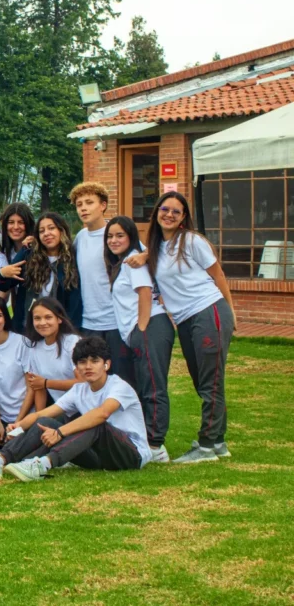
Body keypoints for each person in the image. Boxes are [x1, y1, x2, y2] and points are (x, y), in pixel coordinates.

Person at [0, 336, 152, 481]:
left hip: (130, 455)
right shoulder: (79, 389)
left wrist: (60, 432)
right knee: (43, 423)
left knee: (96, 424)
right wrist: (18, 426)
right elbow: (42, 414)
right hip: (99, 458)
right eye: (82, 362)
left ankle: (42, 464)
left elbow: (102, 414)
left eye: (95, 361)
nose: (88, 367)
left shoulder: (119, 386)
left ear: (106, 365)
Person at [143, 191, 236, 464]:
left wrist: (230, 313)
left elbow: (218, 275)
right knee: (203, 383)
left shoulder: (192, 241)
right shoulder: (156, 249)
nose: (169, 214)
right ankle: (218, 442)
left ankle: (206, 447)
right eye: (165, 209)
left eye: (176, 211)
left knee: (211, 383)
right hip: (184, 320)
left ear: (183, 218)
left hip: (209, 311)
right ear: (157, 212)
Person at [105, 216, 173, 463]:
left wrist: (141, 328)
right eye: (110, 236)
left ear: (131, 236)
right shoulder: (129, 260)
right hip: (140, 329)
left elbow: (144, 292)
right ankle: (145, 438)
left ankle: (156, 445)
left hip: (150, 326)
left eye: (120, 235)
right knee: (144, 383)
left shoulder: (134, 260)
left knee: (152, 386)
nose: (114, 240)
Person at [70, 182, 129, 377]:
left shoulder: (116, 234)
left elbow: (144, 255)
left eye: (89, 202)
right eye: (79, 204)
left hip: (117, 321)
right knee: (93, 379)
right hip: (89, 322)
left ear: (103, 205)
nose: (83, 208)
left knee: (121, 377)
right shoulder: (80, 237)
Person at [0, 212, 82, 333]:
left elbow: (74, 302)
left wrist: (72, 331)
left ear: (61, 231)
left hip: (60, 330)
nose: (47, 233)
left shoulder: (72, 259)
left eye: (51, 228)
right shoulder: (29, 254)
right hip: (27, 328)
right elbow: (3, 284)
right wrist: (2, 273)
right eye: (41, 231)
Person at [0, 295, 33, 445]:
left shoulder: (22, 343)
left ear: (5, 318)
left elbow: (31, 389)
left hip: (25, 415)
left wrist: (18, 422)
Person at [22, 297, 82, 414]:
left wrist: (46, 383)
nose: (42, 323)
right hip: (62, 411)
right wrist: (40, 418)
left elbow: (82, 382)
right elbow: (39, 387)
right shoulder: (35, 348)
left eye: (48, 317)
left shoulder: (72, 342)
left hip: (84, 409)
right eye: (37, 318)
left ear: (59, 319)